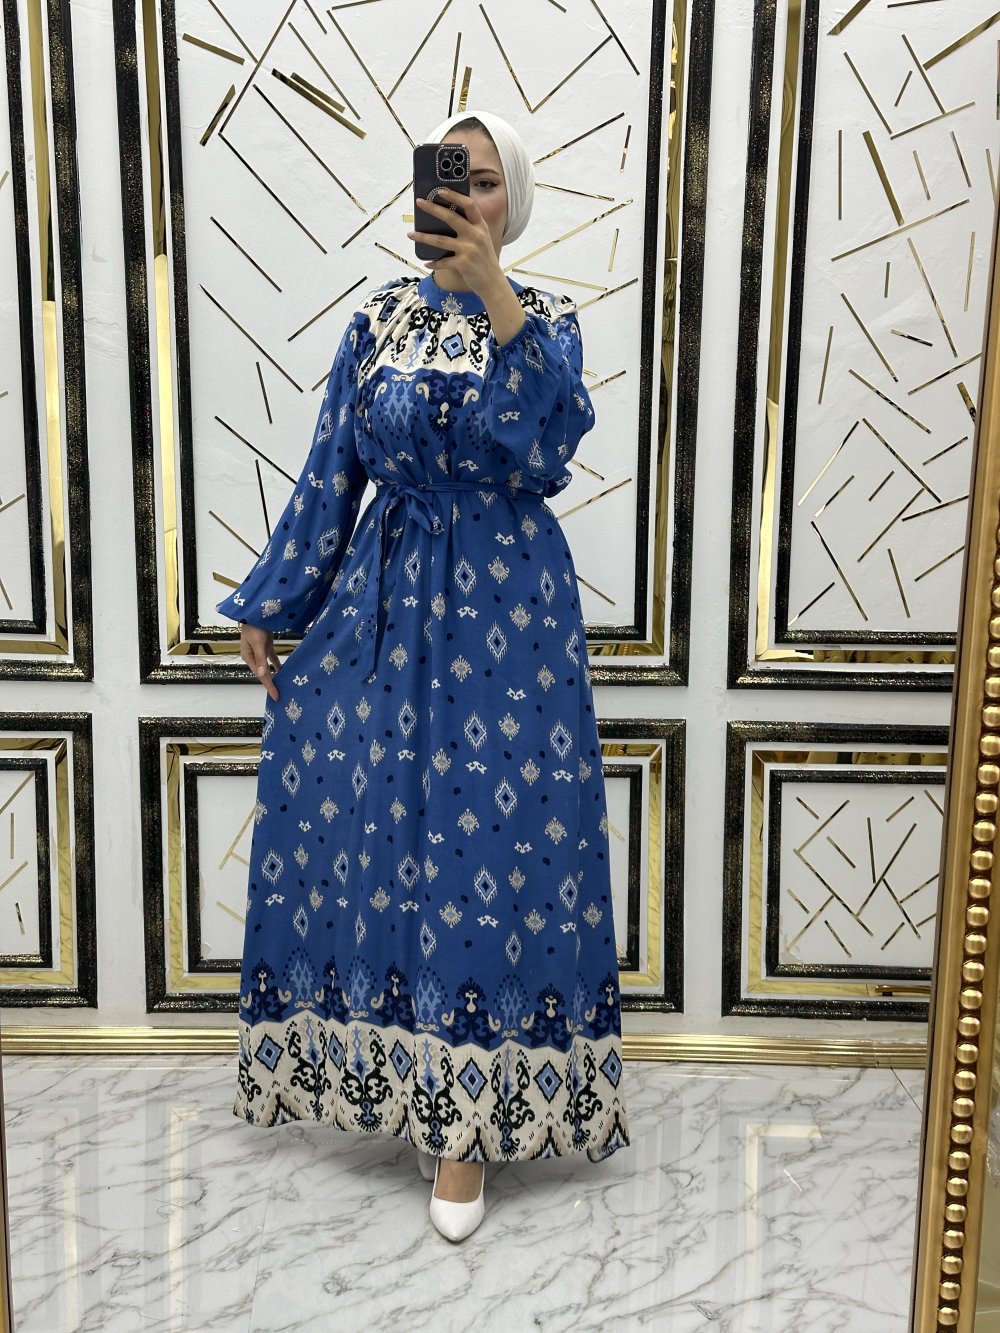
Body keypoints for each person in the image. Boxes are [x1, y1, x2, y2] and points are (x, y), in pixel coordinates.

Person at [217, 108, 630, 1243]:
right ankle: (407, 1075)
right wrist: (273, 600)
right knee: (384, 836)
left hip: (508, 618)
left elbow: (548, 443)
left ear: (513, 201)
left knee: (488, 847)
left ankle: (466, 1127)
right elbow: (331, 470)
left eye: (486, 181)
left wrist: (494, 292)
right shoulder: (376, 323)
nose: (467, 197)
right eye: (453, 178)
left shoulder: (546, 323)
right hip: (383, 606)